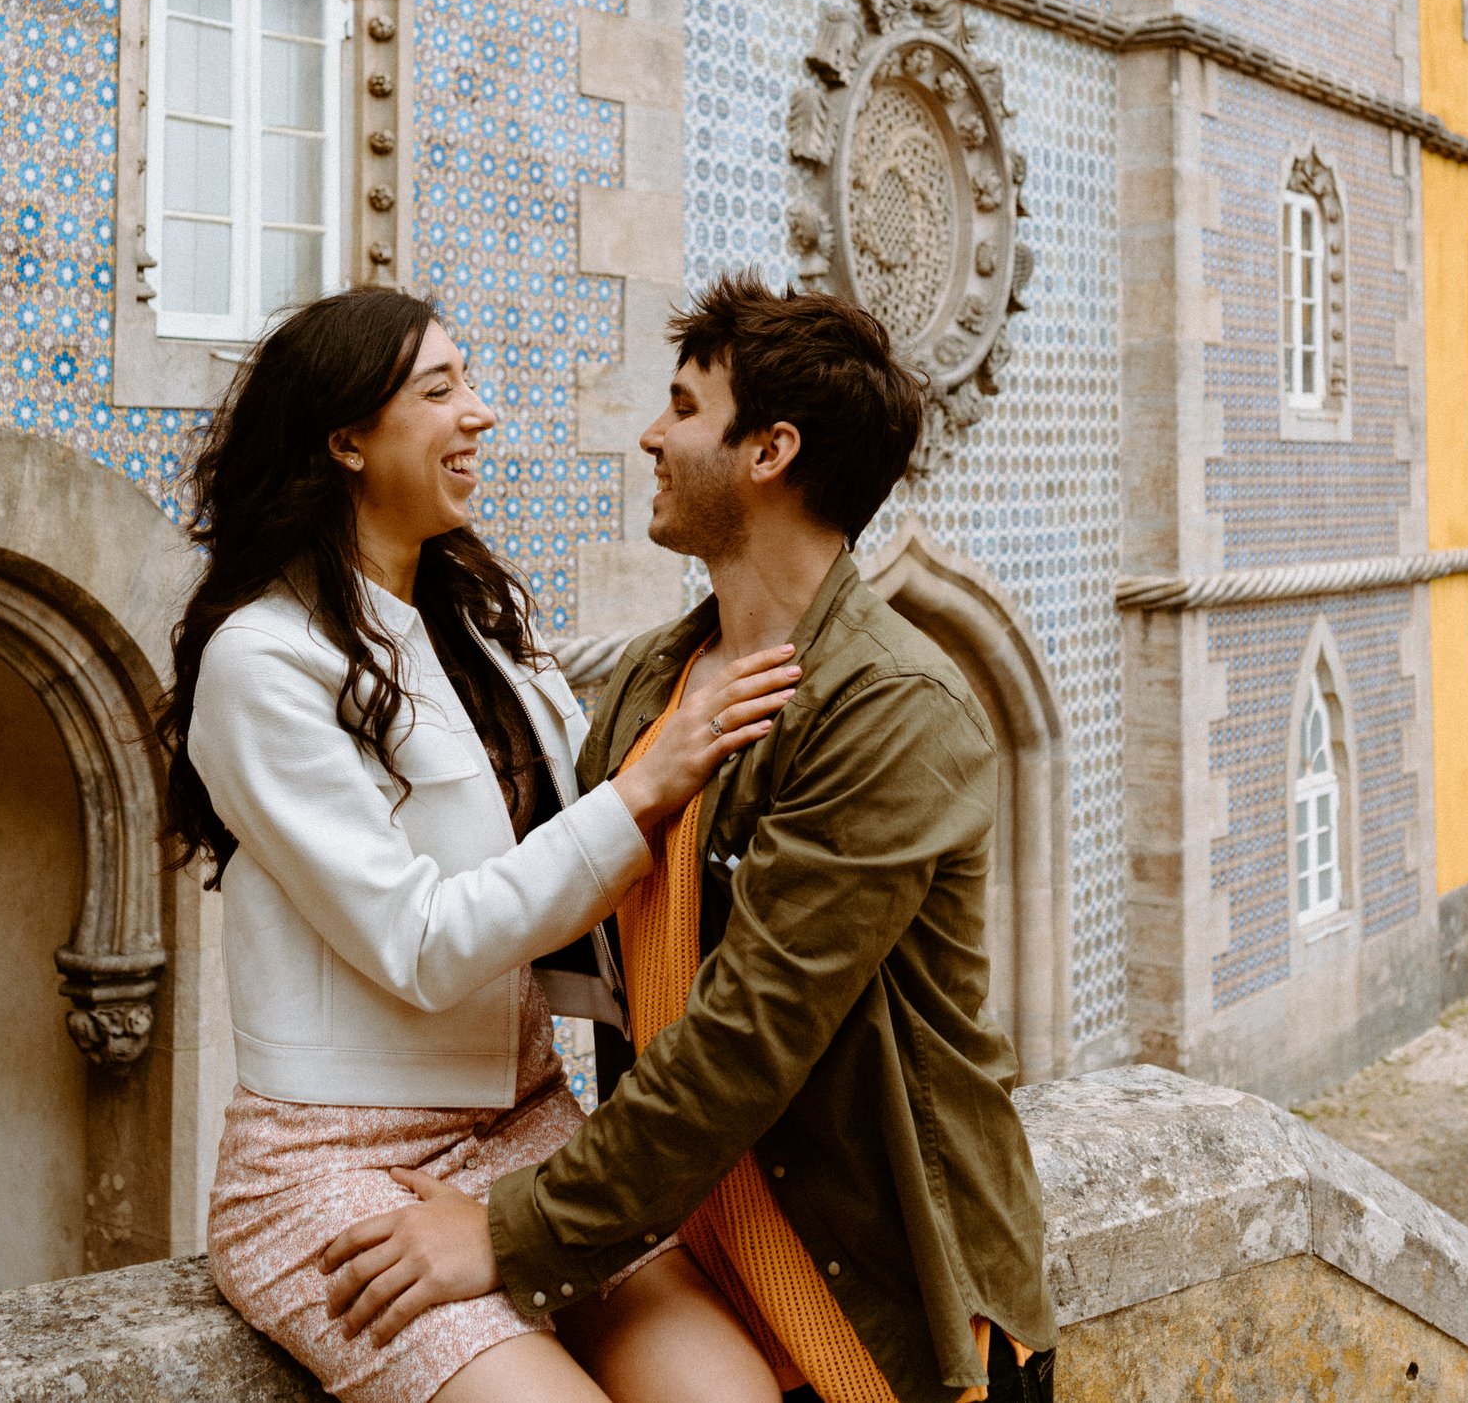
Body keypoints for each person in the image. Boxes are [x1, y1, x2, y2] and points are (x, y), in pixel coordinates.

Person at [320, 274, 1058, 1403]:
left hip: (889, 1319)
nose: (650, 436)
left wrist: (510, 1231)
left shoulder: (894, 708)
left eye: (680, 406)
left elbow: (748, 1036)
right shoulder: (656, 683)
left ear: (768, 451)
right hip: (706, 1296)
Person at [155, 286, 799, 1403]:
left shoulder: (483, 632)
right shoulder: (262, 662)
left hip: (531, 1130)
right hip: (337, 1169)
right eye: (441, 389)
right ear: (346, 438)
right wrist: (647, 784)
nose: (481, 414)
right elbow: (419, 939)